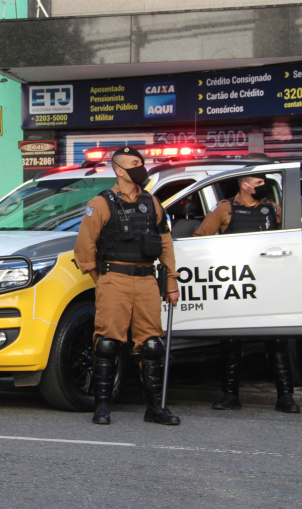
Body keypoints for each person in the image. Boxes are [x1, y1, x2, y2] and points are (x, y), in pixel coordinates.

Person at [74, 146, 181, 426]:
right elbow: (84, 248)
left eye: (141, 162)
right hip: (115, 279)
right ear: (119, 170)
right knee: (108, 344)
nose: (141, 167)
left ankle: (155, 409)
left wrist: (171, 283)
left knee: (152, 345)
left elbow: (166, 245)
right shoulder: (100, 203)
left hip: (147, 279)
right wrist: (104, 280)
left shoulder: (153, 203)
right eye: (134, 163)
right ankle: (102, 407)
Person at [193, 174, 300, 413]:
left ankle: (286, 397)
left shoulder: (273, 209)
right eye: (259, 183)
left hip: (269, 282)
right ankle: (231, 396)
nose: (264, 187)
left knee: (277, 340)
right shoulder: (225, 209)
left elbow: (291, 239)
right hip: (237, 283)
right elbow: (199, 240)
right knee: (231, 341)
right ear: (245, 185)